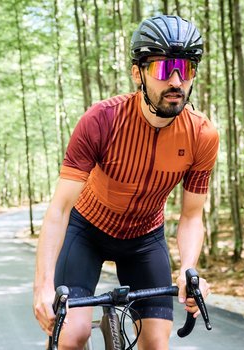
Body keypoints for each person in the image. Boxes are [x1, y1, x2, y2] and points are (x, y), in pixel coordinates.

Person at [33, 14, 218, 349]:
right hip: (86, 231)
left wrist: (188, 271)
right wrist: (43, 287)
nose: (176, 80)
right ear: (138, 74)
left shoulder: (202, 134)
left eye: (186, 69)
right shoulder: (102, 121)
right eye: (164, 69)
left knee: (157, 343)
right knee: (72, 336)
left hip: (144, 239)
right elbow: (59, 210)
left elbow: (192, 216)